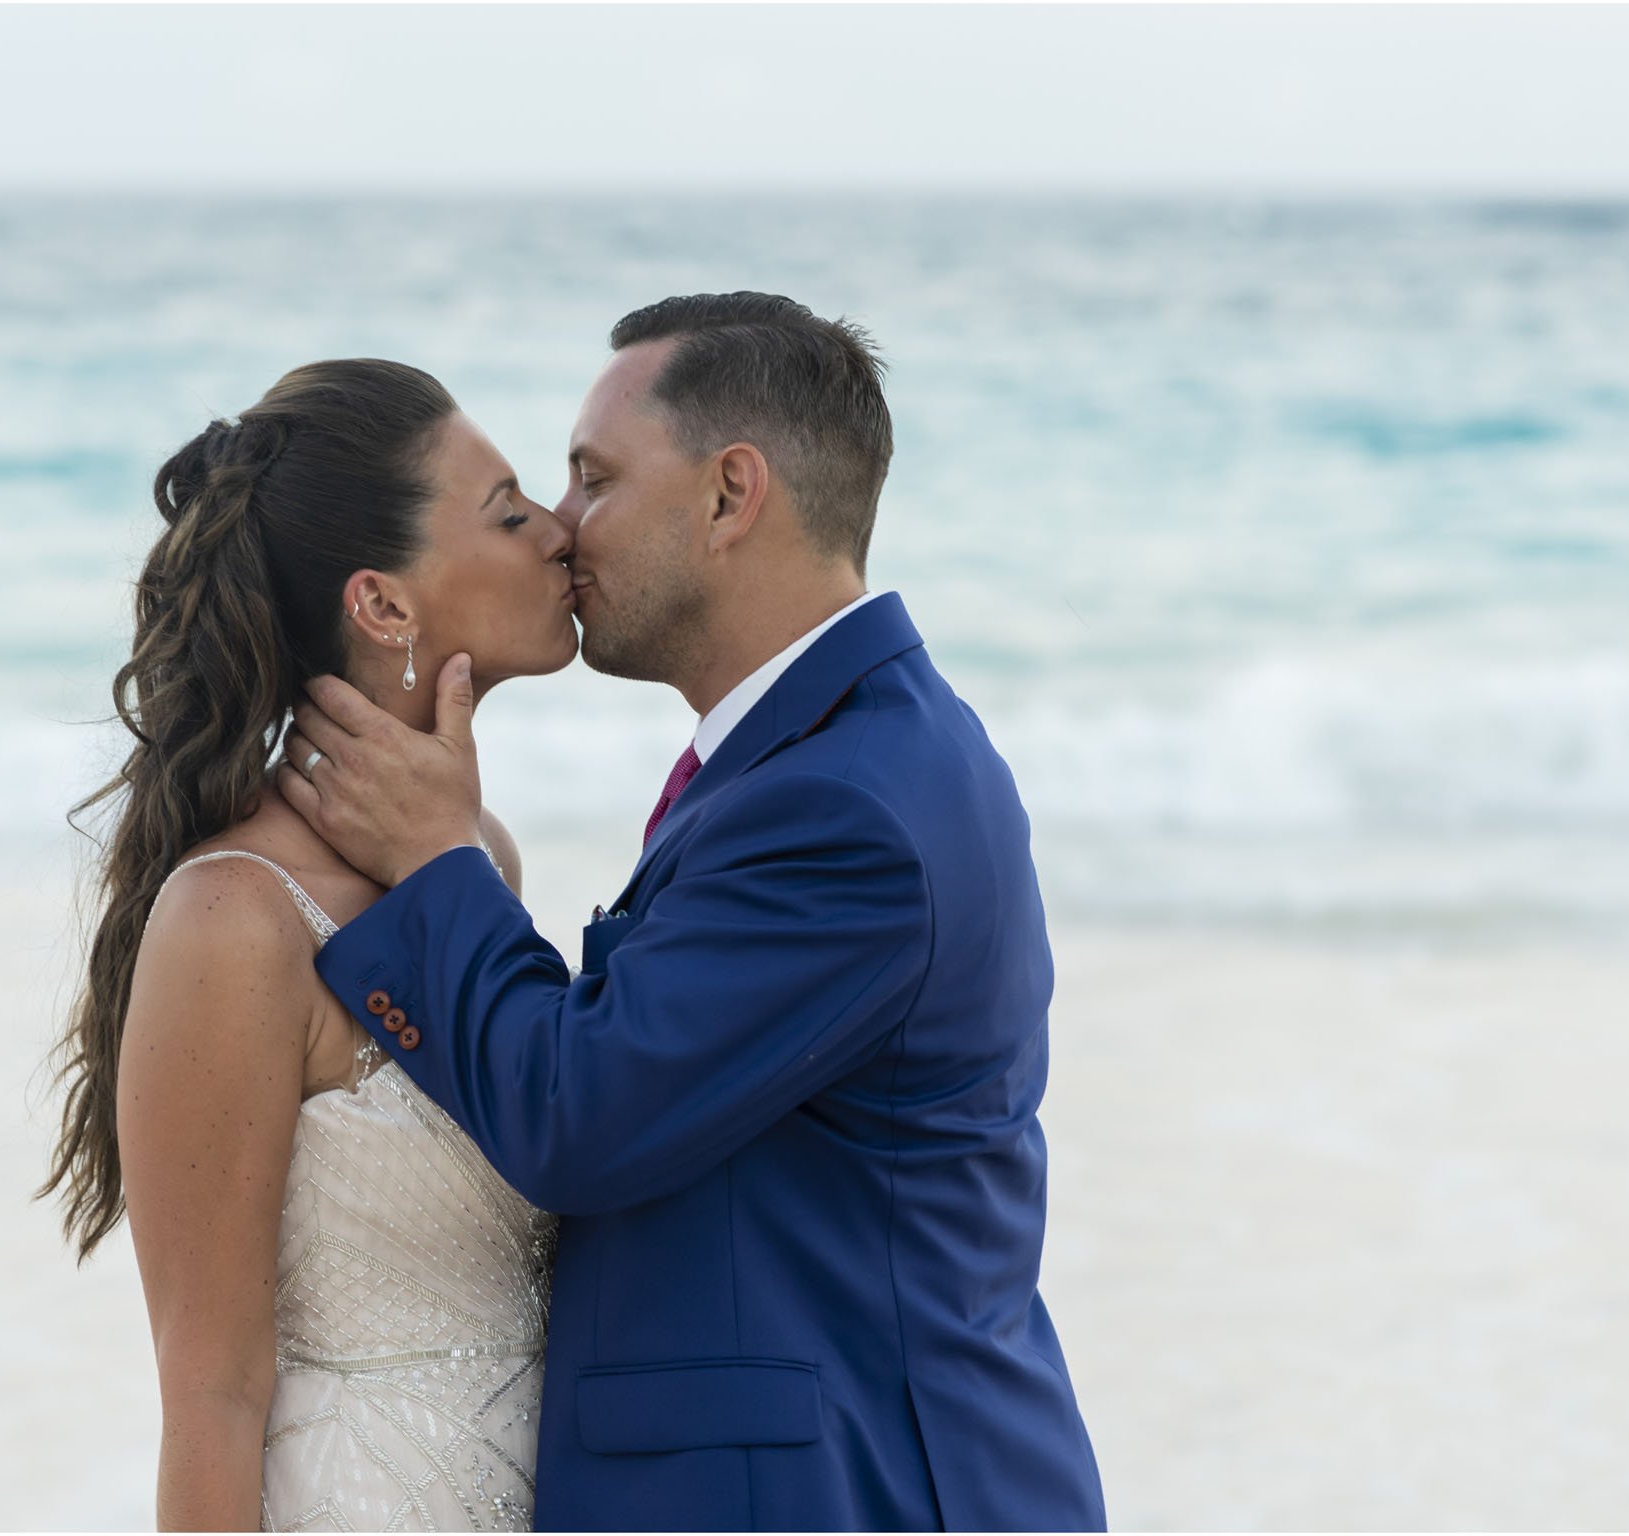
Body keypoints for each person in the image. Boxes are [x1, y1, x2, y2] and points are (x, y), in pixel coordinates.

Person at [280, 294, 1107, 1531]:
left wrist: (436, 858)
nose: (559, 527)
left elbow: (582, 1117)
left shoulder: (846, 807)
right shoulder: (822, 756)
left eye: (593, 477)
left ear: (729, 494)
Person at [37, 359, 579, 1530]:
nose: (557, 531)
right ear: (383, 606)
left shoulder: (477, 862)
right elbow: (212, 1397)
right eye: (508, 509)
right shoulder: (238, 915)